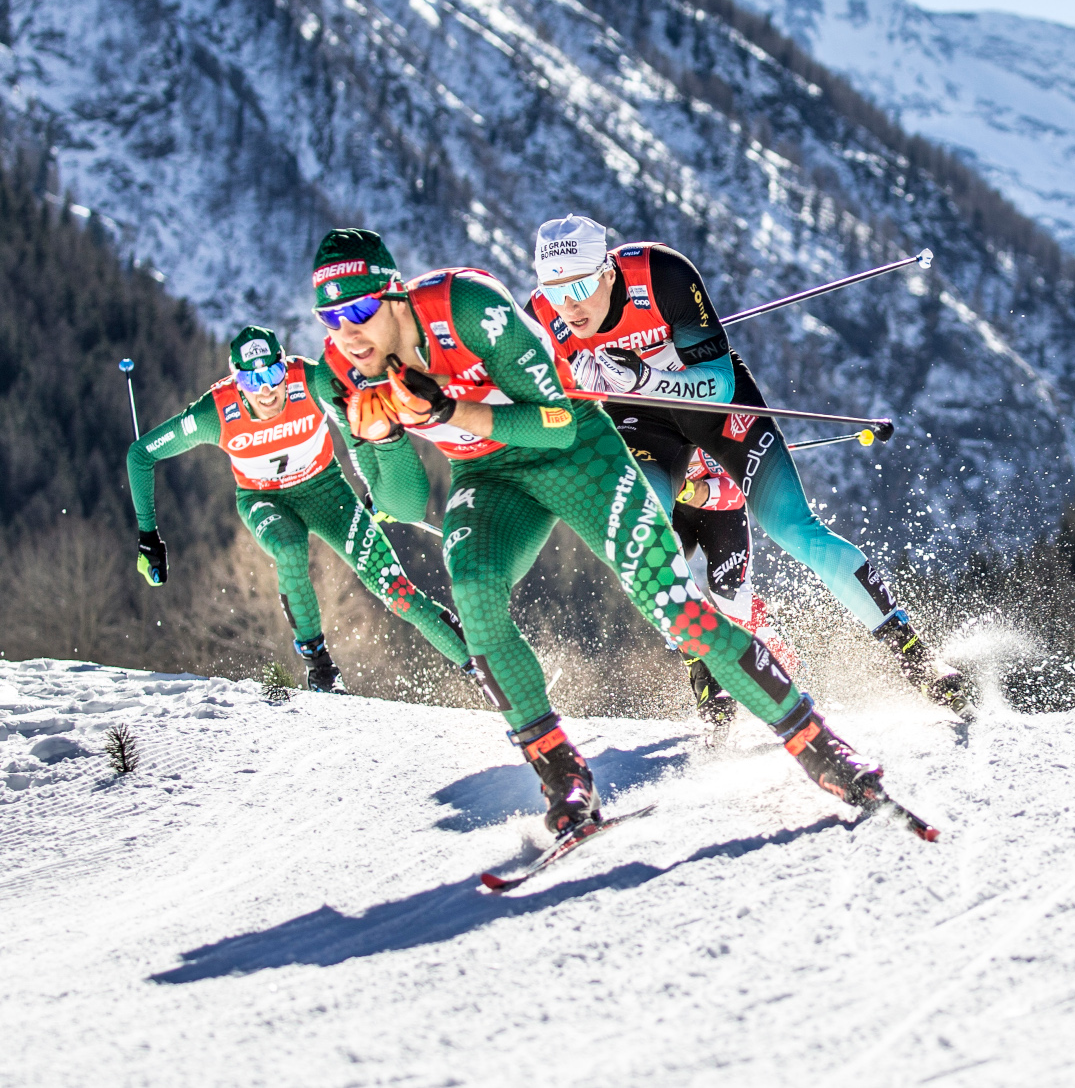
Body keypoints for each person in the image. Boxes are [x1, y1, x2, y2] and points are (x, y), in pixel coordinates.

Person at [309, 228, 897, 838]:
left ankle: (819, 745)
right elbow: (401, 500)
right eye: (331, 318)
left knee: (675, 608)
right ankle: (564, 776)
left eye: (360, 310)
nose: (349, 334)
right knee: (475, 589)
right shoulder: (341, 375)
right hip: (488, 476)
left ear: (396, 296)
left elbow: (560, 423)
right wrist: (381, 437)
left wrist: (450, 412)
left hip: (578, 457)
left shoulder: (468, 309)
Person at [524, 214, 970, 715]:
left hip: (715, 405)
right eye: (555, 290)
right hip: (641, 424)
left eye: (581, 285)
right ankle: (704, 661)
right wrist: (567, 389)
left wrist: (642, 377)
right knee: (643, 533)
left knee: (794, 528)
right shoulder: (541, 318)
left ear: (607, 273)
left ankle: (914, 655)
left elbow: (716, 382)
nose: (570, 304)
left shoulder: (662, 275)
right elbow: (531, 412)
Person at [126, 325, 470, 692]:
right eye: (252, 379)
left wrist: (380, 490)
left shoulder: (308, 379)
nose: (266, 389)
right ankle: (320, 668)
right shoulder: (215, 412)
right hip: (264, 500)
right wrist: (149, 537)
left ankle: (481, 663)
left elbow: (363, 419)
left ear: (285, 367)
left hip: (326, 492)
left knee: (397, 591)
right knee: (289, 548)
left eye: (274, 373)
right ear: (236, 379)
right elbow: (141, 454)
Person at [658, 448, 799, 729]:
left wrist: (691, 491)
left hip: (718, 502)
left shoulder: (701, 415)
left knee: (729, 594)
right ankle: (711, 694)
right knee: (671, 588)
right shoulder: (637, 416)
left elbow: (736, 490)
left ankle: (785, 673)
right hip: (668, 507)